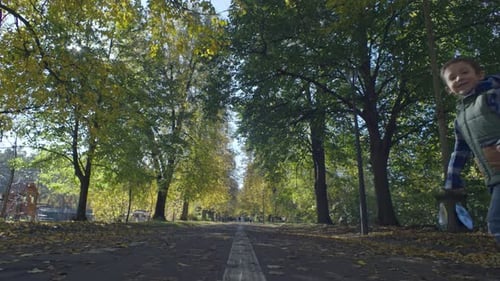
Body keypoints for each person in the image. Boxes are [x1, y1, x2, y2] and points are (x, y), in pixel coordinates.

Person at [441, 56, 500, 246]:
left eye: (464, 72)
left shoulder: (492, 96)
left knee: (496, 222)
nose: (459, 78)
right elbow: (460, 149)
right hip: (494, 176)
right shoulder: (460, 118)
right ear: (449, 89)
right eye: (452, 78)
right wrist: (453, 179)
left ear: (480, 75)